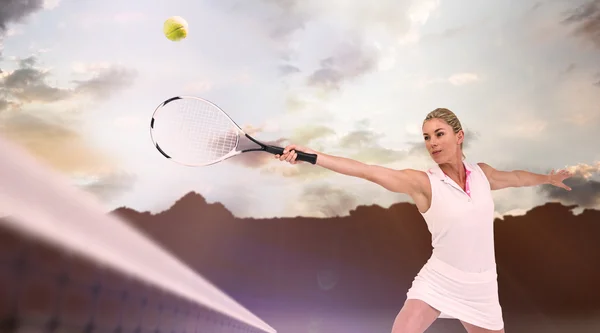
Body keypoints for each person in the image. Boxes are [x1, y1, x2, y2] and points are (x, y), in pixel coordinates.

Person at [274, 108, 572, 333]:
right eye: (426, 137)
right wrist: (313, 155)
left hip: (482, 286)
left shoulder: (482, 173)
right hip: (440, 280)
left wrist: (547, 178)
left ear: (459, 136)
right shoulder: (423, 183)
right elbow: (365, 170)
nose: (432, 143)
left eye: (439, 134)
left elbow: (517, 177)